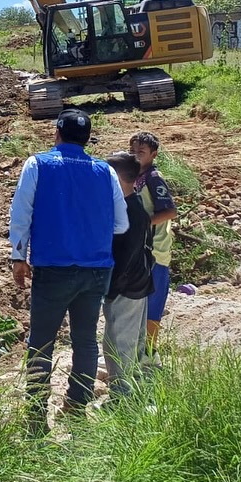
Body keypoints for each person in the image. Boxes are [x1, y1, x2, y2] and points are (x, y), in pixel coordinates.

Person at [9, 108, 129, 430]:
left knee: (42, 343)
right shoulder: (105, 172)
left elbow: (21, 214)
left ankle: (35, 417)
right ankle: (76, 407)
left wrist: (18, 256)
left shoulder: (37, 165)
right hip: (97, 271)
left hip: (54, 270)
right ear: (87, 138)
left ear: (56, 133)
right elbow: (121, 224)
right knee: (86, 340)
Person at [101, 152, 153, 398]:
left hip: (126, 286)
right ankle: (133, 388)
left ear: (117, 179)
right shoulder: (134, 205)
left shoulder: (129, 211)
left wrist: (111, 289)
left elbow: (126, 257)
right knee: (131, 342)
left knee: (118, 343)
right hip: (136, 283)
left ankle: (121, 397)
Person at [129, 131, 178, 369]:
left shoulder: (153, 178)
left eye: (141, 152)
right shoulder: (133, 177)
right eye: (133, 151)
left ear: (153, 154)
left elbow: (169, 211)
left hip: (155, 251)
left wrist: (143, 223)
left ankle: (149, 353)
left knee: (153, 304)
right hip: (139, 250)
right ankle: (136, 350)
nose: (135, 156)